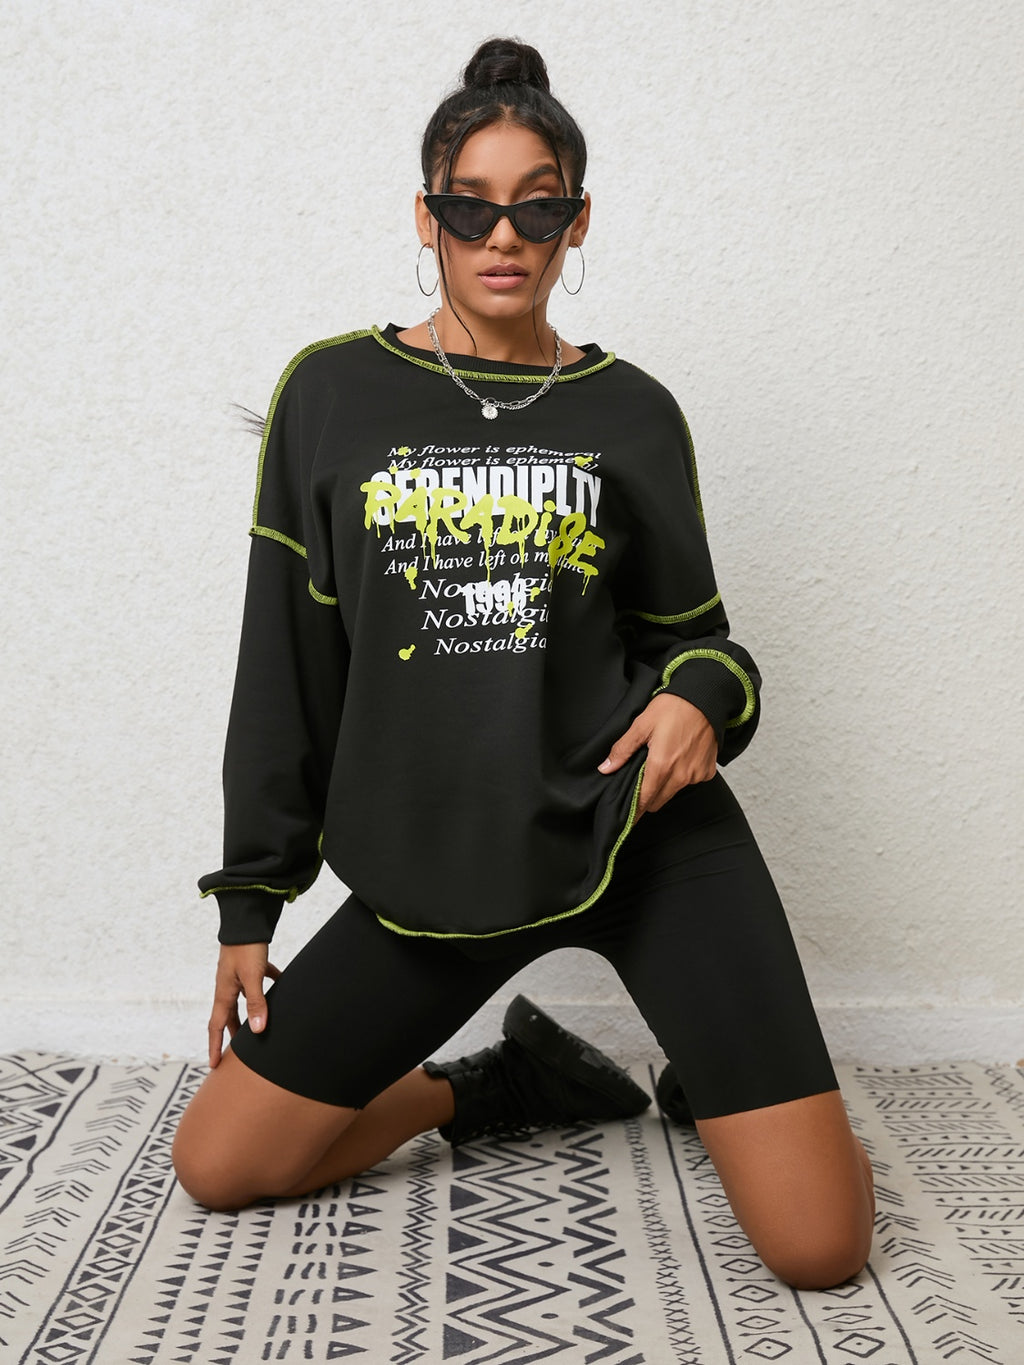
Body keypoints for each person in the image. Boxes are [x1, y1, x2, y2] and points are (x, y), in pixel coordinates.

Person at [172, 38, 874, 1290]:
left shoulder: (631, 411)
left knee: (819, 1249)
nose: (504, 236)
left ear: (576, 221)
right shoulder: (331, 394)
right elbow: (283, 659)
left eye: (537, 208)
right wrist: (251, 901)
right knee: (222, 1165)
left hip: (639, 832)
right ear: (427, 217)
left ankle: (714, 1080)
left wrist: (699, 698)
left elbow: (702, 642)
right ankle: (500, 1086)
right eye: (471, 207)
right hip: (435, 860)